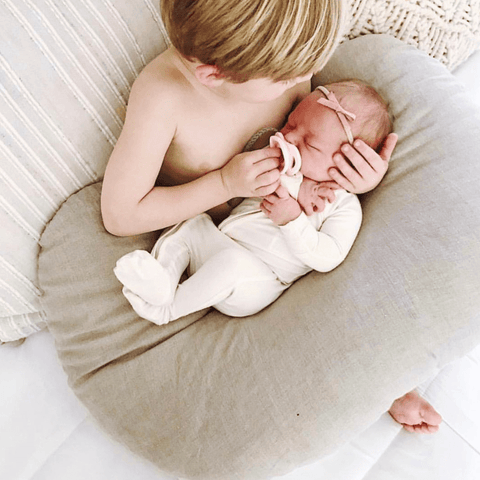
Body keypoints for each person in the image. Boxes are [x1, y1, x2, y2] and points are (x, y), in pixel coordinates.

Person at [114, 79, 442, 434]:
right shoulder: (286, 170)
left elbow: (328, 256)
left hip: (255, 280)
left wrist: (294, 220)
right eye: (290, 124)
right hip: (218, 245)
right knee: (192, 224)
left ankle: (167, 308)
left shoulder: (342, 207)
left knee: (232, 265)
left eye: (308, 141)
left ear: (345, 163)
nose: (289, 139)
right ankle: (163, 275)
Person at [100, 0, 397, 237]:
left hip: (285, 235)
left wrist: (353, 179)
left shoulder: (283, 64)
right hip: (207, 241)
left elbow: (318, 149)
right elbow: (120, 215)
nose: (307, 79)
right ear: (215, 75)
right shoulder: (162, 98)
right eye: (287, 79)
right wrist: (224, 184)